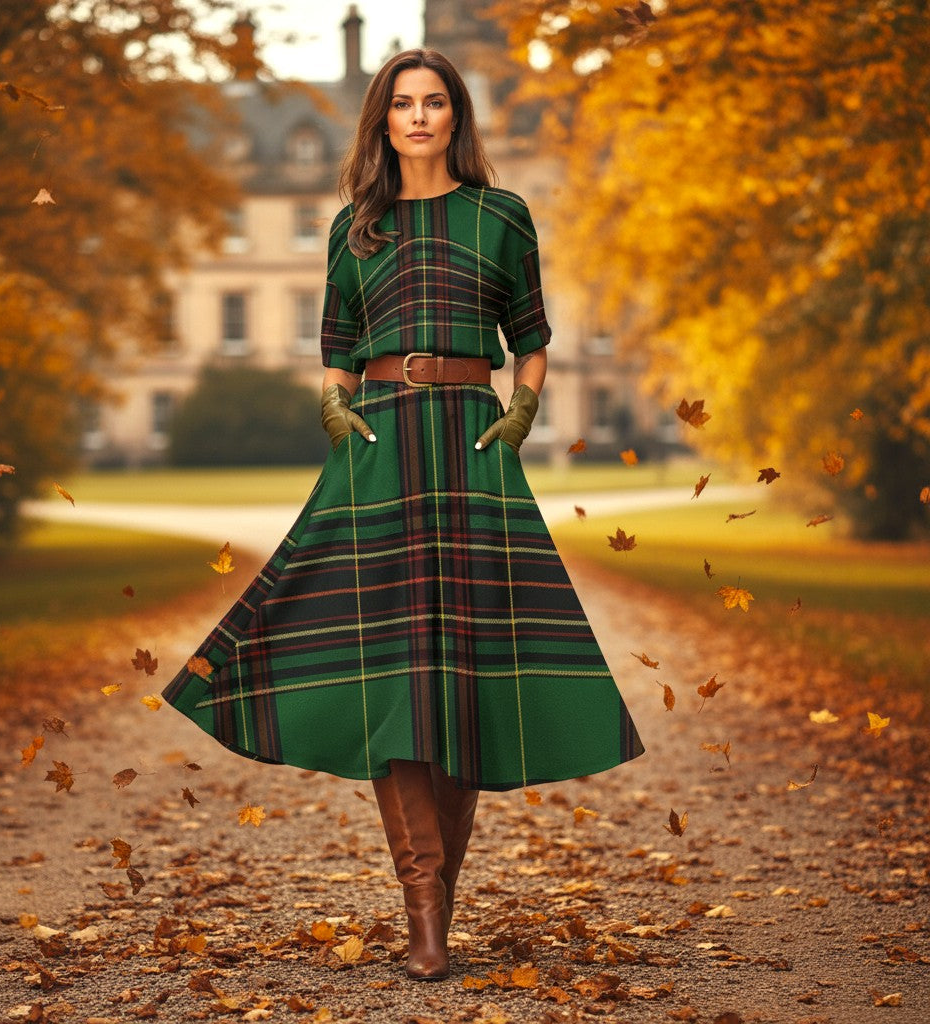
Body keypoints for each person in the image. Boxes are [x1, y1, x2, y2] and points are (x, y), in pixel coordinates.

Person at [162, 48, 644, 982]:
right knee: (395, 674)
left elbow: (533, 338)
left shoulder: (501, 216)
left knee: (456, 675)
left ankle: (440, 909)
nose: (418, 118)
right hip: (380, 449)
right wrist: (336, 411)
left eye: (434, 103)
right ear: (381, 121)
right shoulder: (357, 226)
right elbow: (337, 349)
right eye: (402, 105)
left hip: (471, 445)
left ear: (456, 117)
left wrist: (522, 414)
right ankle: (424, 914)